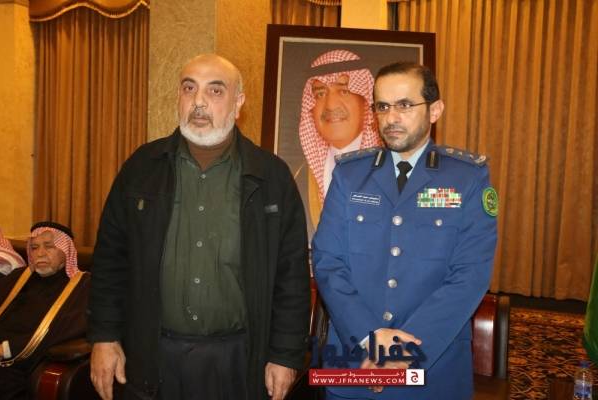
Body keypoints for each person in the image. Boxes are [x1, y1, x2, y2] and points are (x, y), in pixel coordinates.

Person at [88, 54, 310, 400]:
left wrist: (285, 355)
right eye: (189, 88)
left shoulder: (272, 177)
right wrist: (104, 336)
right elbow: (109, 260)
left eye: (215, 90)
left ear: (238, 102)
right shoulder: (142, 168)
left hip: (237, 359)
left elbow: (291, 276)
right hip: (152, 354)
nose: (199, 102)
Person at [312, 62, 498, 399]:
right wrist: (369, 336)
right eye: (383, 107)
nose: (391, 117)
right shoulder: (350, 175)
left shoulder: (467, 178)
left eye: (405, 105)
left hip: (432, 367)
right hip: (356, 361)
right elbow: (327, 261)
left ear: (435, 110)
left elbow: (470, 275)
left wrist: (403, 351)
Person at [0, 222, 90, 400]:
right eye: (34, 247)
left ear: (66, 251)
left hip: (19, 367)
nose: (40, 253)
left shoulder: (82, 286)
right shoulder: (18, 277)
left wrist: (5, 349)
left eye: (49, 246)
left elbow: (63, 330)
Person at [298, 49, 383, 229]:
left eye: (344, 91)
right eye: (320, 94)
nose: (330, 105)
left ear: (365, 100)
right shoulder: (298, 179)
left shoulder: (395, 169)